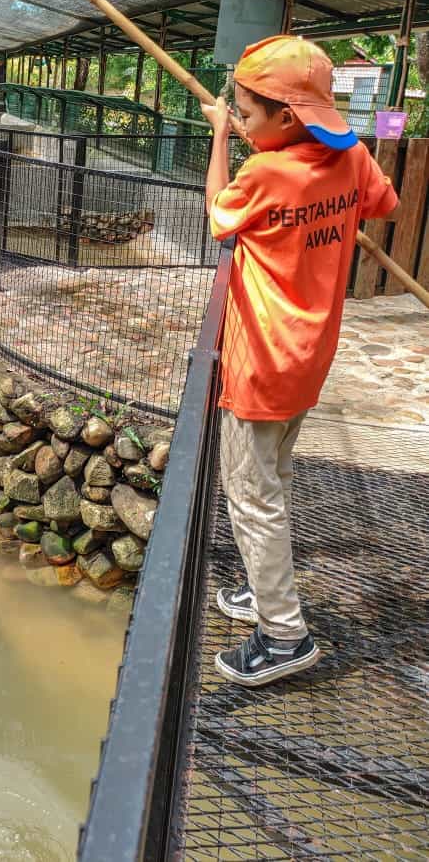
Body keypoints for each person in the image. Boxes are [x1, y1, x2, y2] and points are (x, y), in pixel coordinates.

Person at [201, 35, 399, 687]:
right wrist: (330, 207)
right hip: (310, 358)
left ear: (287, 117)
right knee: (273, 481)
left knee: (251, 495)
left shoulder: (263, 172)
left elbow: (218, 219)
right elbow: (382, 204)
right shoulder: (352, 160)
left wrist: (217, 141)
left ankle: (284, 635)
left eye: (246, 114)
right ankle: (263, 594)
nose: (239, 120)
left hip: (261, 360)